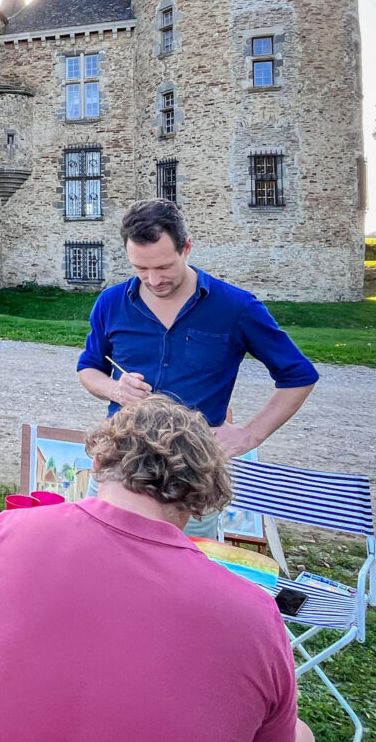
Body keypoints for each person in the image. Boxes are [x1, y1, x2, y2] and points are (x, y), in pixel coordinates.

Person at [0, 396, 313, 742]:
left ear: (99, 459)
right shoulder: (254, 612)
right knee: (300, 732)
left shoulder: (7, 532)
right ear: (202, 494)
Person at [77, 198, 317, 535]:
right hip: (119, 469)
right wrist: (115, 389)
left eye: (164, 267)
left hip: (190, 478)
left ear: (186, 248)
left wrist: (249, 435)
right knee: (103, 559)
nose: (153, 279)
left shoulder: (236, 307)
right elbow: (88, 368)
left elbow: (299, 376)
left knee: (184, 567)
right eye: (140, 268)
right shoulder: (110, 303)